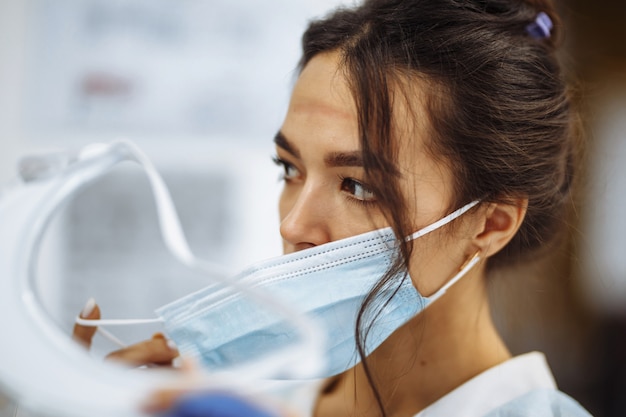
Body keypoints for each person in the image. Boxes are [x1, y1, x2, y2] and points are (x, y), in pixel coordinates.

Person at [75, 0, 593, 415]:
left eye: (359, 186)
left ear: (490, 223)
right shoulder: (244, 397)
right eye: (289, 169)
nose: (292, 224)